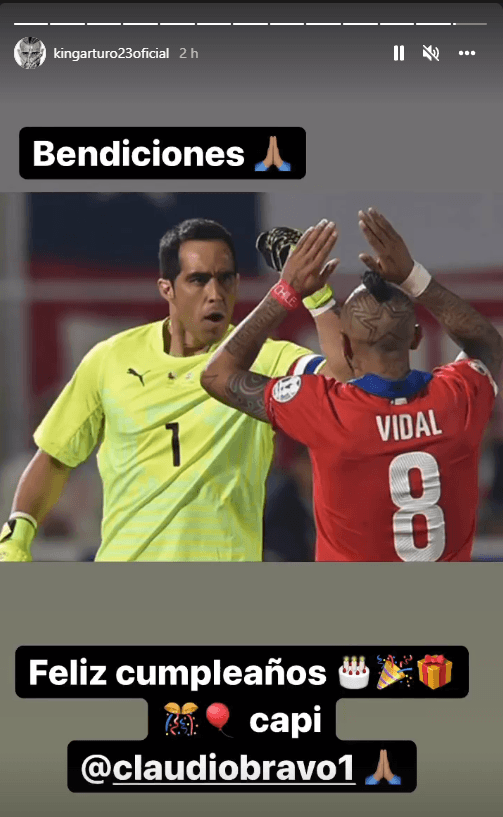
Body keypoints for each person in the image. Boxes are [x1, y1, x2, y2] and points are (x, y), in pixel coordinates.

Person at [0, 218, 344, 563]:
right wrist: (15, 540)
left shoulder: (267, 358)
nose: (215, 293)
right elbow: (55, 458)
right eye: (198, 280)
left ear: (237, 284)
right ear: (167, 288)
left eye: (225, 279)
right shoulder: (111, 359)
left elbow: (342, 380)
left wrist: (318, 296)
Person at [201, 211, 503, 562]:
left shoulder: (328, 411)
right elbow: (487, 343)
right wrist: (413, 276)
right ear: (417, 338)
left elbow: (217, 375)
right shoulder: (458, 400)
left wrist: (288, 290)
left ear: (344, 345)